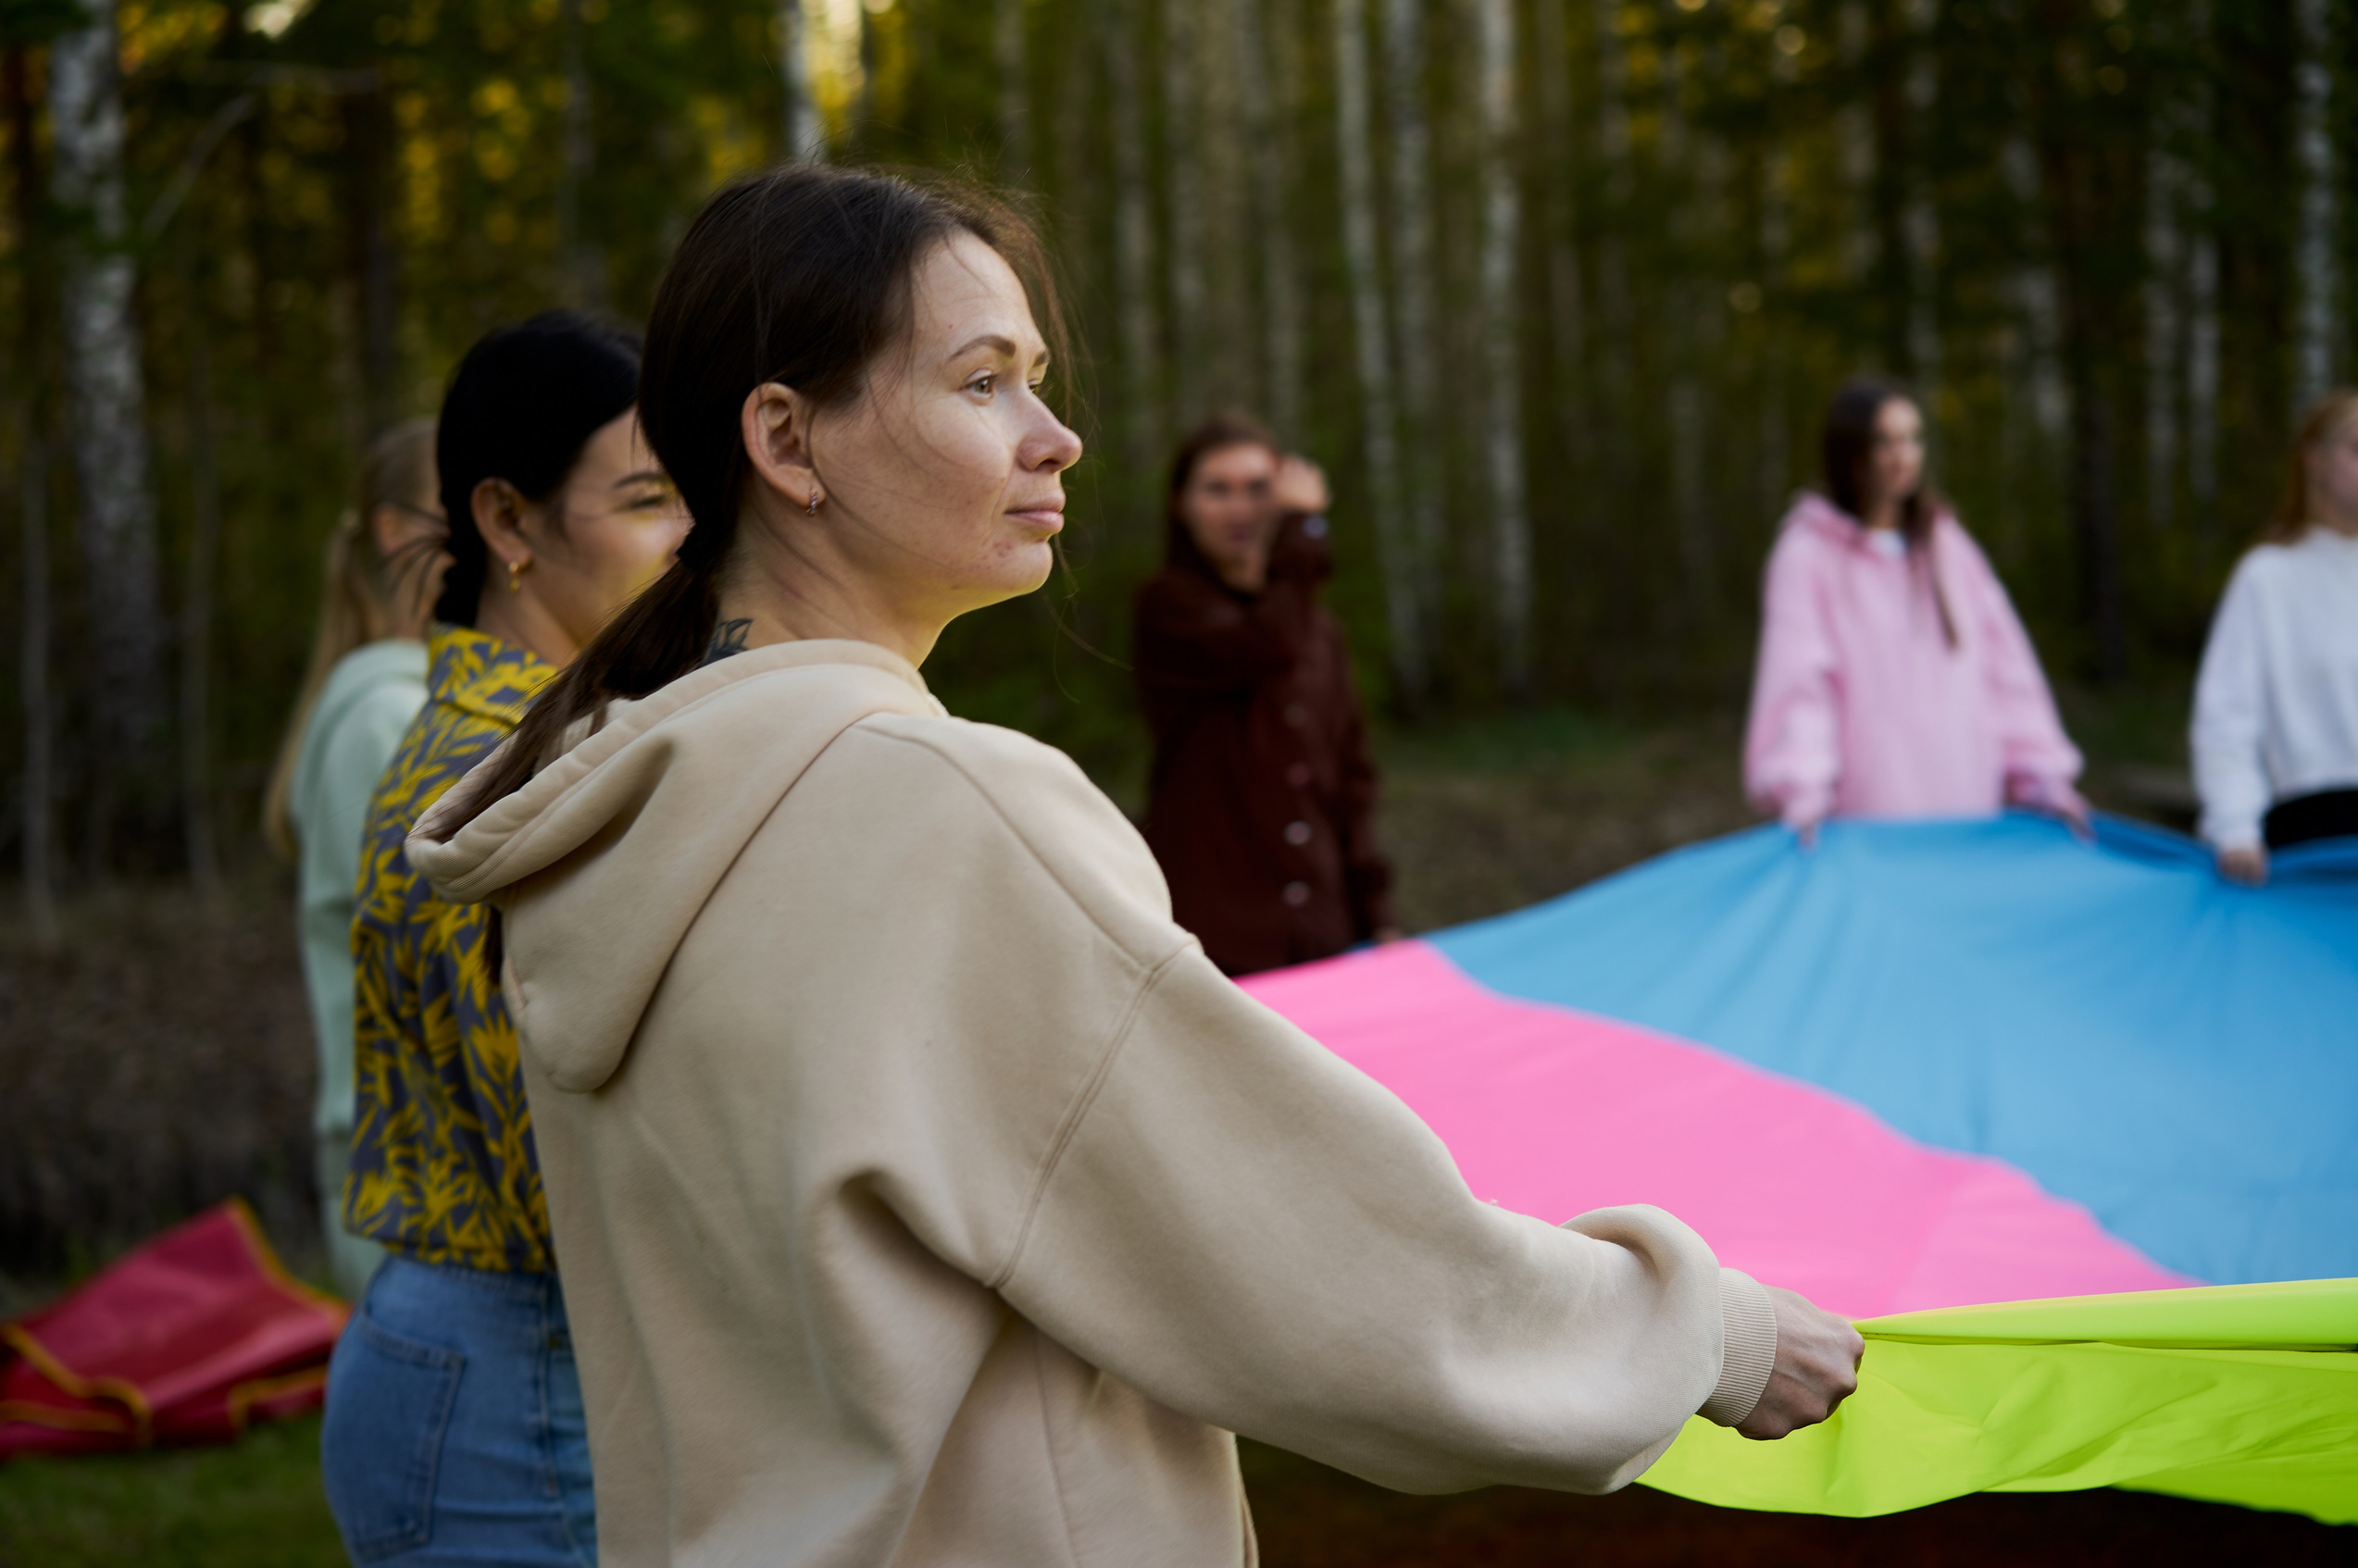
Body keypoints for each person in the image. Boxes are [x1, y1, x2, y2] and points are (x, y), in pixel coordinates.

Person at [405, 165, 1860, 1567]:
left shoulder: (614, 811)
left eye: (1037, 378)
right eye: (982, 383)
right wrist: (1702, 1332)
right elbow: (1312, 1254)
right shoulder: (933, 811)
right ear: (787, 445)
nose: (1056, 436)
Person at [321, 312, 689, 1567]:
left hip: (508, 1361)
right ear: (509, 521)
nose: (693, 535)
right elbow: (568, 1167)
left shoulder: (548, 729)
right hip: (517, 1386)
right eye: (647, 497)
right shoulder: (514, 775)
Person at [262, 417, 446, 1299]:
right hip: (413, 1196)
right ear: (400, 532)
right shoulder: (387, 720)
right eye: (480, 507)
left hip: (413, 1185)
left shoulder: (405, 705)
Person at [1744, 378, 2087, 839]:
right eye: (1885, 441)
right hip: (1866, 824)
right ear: (1850, 453)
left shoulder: (1947, 546)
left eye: (1912, 439)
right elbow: (1800, 685)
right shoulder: (1807, 556)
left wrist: (2044, 777)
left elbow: (2007, 671)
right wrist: (1802, 791)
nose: (1903, 456)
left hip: (1967, 811)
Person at [1134, 413, 1398, 975]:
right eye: (1217, 490)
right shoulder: (1168, 607)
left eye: (1259, 490)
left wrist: (1376, 915)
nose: (1240, 510)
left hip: (1322, 932)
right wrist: (1304, 532)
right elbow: (1264, 646)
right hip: (1215, 942)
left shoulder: (1321, 631)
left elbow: (1351, 778)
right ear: (1180, 502)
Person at [2192, 387, 2358, 883]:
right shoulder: (2268, 578)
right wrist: (2235, 824)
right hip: (2312, 836)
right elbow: (2227, 715)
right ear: (2315, 461)